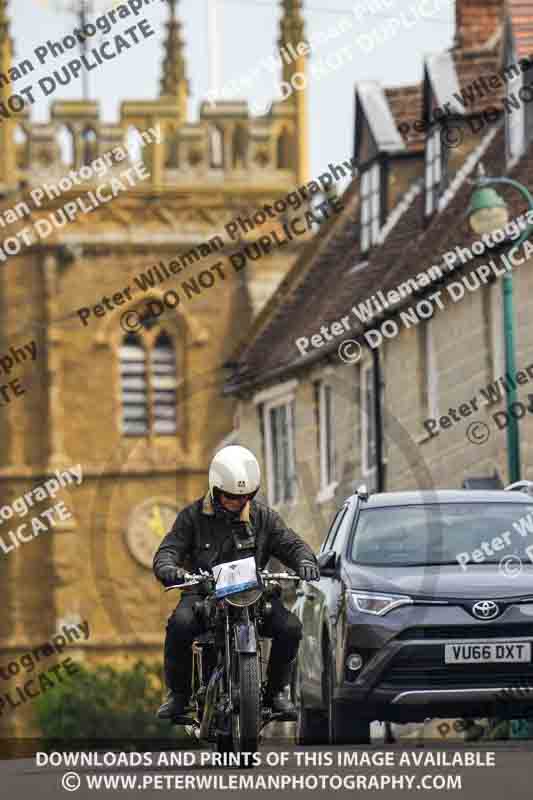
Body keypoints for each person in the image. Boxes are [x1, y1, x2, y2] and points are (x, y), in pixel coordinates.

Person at [153, 444, 320, 719]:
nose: (237, 502)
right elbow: (168, 550)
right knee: (179, 625)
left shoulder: (264, 518)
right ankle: (178, 695)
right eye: (230, 497)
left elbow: (290, 543)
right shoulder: (191, 518)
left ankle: (277, 692)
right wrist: (169, 568)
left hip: (254, 593)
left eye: (244, 497)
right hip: (203, 594)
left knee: (290, 627)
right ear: (215, 490)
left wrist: (305, 560)